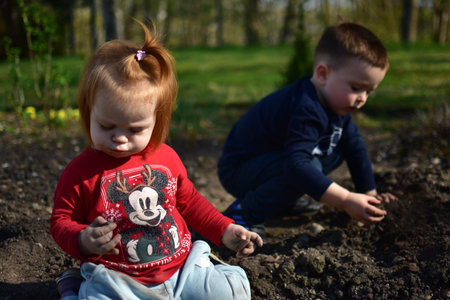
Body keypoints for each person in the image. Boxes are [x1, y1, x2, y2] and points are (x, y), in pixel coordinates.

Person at [50, 21, 262, 300]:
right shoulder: (81, 173)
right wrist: (82, 239)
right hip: (118, 280)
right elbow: (60, 221)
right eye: (106, 126)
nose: (120, 138)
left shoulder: (165, 157)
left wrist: (224, 229)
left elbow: (191, 203)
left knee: (232, 293)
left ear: (157, 122)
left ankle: (212, 272)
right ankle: (74, 288)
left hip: (181, 270)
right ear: (89, 113)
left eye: (135, 129)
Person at [218, 22, 398, 241]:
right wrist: (345, 199)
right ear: (322, 74)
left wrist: (369, 195)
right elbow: (296, 165)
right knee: (306, 165)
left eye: (369, 91)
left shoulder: (336, 107)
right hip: (240, 169)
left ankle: (283, 200)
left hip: (269, 163)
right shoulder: (306, 107)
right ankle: (245, 213)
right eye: (356, 87)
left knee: (335, 150)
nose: (362, 98)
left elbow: (356, 149)